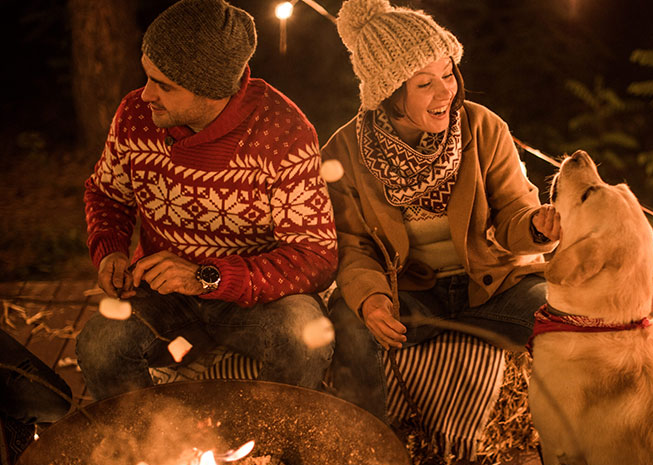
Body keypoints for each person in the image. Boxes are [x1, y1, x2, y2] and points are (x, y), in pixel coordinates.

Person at [76, 0, 338, 400]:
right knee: (99, 345)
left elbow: (315, 256)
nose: (146, 95)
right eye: (148, 77)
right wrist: (110, 250)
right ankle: (141, 450)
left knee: (305, 337)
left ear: (212, 90)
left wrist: (206, 277)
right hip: (164, 298)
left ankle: (274, 450)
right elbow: (108, 194)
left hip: (258, 299)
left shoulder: (282, 133)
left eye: (164, 85)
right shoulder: (135, 116)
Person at [323, 0, 560, 420]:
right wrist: (372, 299)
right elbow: (353, 245)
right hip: (411, 297)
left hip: (493, 289)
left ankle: (579, 444)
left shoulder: (483, 128)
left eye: (448, 74)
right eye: (424, 83)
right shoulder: (345, 151)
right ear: (389, 92)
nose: (446, 91)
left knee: (564, 318)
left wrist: (537, 228)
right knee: (348, 322)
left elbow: (513, 213)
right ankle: (370, 451)